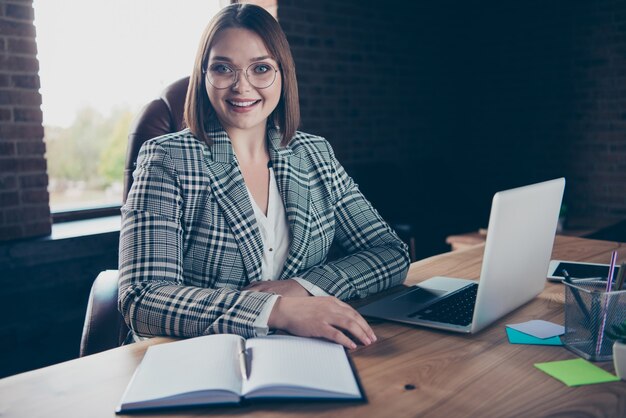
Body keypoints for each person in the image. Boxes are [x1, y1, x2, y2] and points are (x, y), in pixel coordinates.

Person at [118, 3, 410, 350]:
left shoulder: (315, 153)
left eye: (261, 68)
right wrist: (276, 310)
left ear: (283, 74)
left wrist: (304, 288)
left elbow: (389, 252)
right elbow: (143, 299)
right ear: (203, 76)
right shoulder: (167, 159)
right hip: (201, 358)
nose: (242, 87)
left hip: (305, 352)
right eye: (223, 68)